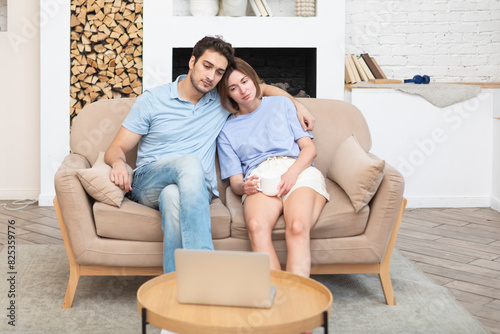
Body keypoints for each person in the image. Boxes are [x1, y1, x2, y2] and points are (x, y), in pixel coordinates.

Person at [104, 36, 316, 274]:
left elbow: (261, 88)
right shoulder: (153, 100)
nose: (211, 77)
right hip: (149, 180)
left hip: (197, 188)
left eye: (219, 72)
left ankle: (176, 286)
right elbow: (116, 148)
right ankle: (205, 273)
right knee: (189, 164)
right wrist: (118, 163)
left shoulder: (220, 99)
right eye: (207, 66)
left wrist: (298, 105)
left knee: (173, 197)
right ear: (192, 61)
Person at [216, 58, 330, 278]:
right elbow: (236, 183)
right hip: (260, 177)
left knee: (297, 226)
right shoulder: (226, 130)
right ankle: (277, 298)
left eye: (245, 81)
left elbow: (309, 149)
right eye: (233, 88)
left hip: (297, 169)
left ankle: (296, 297)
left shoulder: (283, 104)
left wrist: (291, 174)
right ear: (227, 94)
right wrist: (245, 186)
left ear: (254, 80)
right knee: (257, 227)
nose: (243, 90)